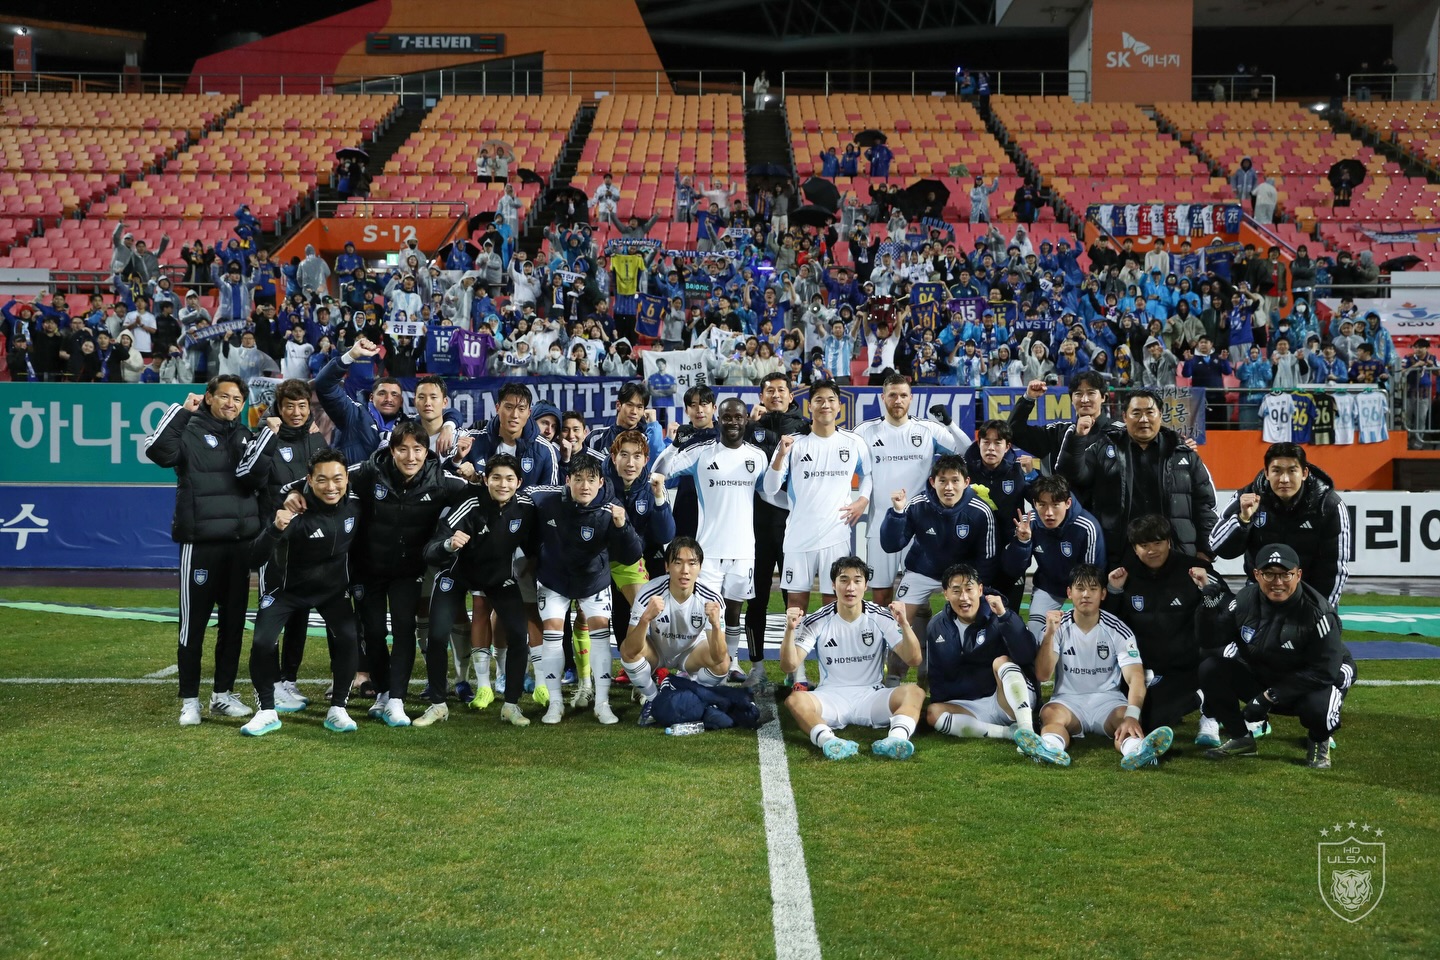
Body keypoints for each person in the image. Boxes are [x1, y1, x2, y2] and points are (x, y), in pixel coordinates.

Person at [327, 421, 470, 726]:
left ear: (426, 452)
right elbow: (329, 478)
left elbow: (475, 497)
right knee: (374, 632)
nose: (410, 456)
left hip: (409, 570)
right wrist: (295, 493)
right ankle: (383, 692)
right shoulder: (368, 472)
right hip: (367, 568)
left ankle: (396, 700)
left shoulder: (441, 480)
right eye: (403, 449)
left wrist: (474, 476)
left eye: (417, 449)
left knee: (404, 629)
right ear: (391, 451)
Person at [143, 376, 262, 726]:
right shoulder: (189, 430)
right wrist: (182, 411)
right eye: (224, 396)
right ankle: (190, 701)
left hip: (239, 545)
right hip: (201, 543)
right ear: (208, 397)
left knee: (233, 625)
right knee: (192, 626)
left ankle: (222, 696)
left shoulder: (244, 435)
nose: (231, 403)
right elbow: (157, 451)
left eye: (237, 399)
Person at [1200, 544, 1356, 769]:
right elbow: (1210, 642)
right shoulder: (1244, 600)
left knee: (1320, 707)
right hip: (1266, 674)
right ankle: (1241, 738)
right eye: (1269, 574)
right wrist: (1207, 611)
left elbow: (1325, 671)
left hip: (1309, 684)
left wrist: (1267, 697)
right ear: (1256, 575)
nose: (1278, 582)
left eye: (1285, 575)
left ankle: (1319, 741)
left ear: (1298, 575)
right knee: (1210, 668)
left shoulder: (1319, 613)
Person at [242, 449, 362, 737]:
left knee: (349, 637)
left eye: (337, 479)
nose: (331, 486)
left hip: (331, 591)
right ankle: (266, 711)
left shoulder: (356, 503)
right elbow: (253, 558)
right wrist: (275, 528)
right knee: (262, 642)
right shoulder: (293, 509)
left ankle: (338, 708)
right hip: (286, 590)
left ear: (347, 478)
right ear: (309, 480)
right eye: (322, 479)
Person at [1015, 565, 1175, 770]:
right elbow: (1043, 674)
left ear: (1103, 594)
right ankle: (1051, 748)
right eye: (1080, 588)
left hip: (1108, 701)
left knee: (1125, 718)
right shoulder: (1056, 627)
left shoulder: (1118, 629)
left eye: (1092, 588)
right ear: (1069, 593)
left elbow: (1135, 677)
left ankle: (1136, 750)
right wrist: (1050, 635)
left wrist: (1132, 715)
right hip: (1068, 701)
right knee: (1050, 714)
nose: (1086, 594)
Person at [655, 399, 768, 685]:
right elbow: (659, 472)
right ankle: (694, 662)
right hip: (709, 551)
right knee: (705, 611)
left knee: (734, 610)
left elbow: (770, 491)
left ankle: (732, 662)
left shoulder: (758, 457)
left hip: (744, 550)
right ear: (719, 419)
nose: (732, 422)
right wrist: (674, 445)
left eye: (738, 417)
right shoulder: (701, 453)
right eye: (727, 417)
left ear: (746, 420)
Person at [235, 379, 331, 711]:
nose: (296, 412)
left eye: (302, 406)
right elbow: (251, 479)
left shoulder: (315, 438)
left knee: (300, 613)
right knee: (272, 612)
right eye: (289, 406)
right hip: (274, 538)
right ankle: (270, 683)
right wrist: (267, 434)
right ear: (279, 407)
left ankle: (288, 679)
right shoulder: (266, 435)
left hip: (306, 541)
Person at [528, 455, 644, 724]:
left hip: (593, 580)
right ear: (567, 480)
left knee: (600, 634)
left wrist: (622, 526)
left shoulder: (612, 508)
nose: (584, 486)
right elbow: (524, 495)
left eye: (591, 480)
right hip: (554, 578)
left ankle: (602, 703)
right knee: (553, 634)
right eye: (578, 479)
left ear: (601, 482)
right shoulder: (547, 501)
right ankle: (555, 703)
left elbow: (632, 555)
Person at [424, 454, 537, 728]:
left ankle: (511, 705)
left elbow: (536, 544)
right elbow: (431, 549)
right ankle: (438, 705)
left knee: (518, 635)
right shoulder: (470, 503)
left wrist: (533, 564)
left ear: (519, 482)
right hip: (457, 575)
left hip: (498, 578)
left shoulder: (525, 508)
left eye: (509, 479)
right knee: (437, 635)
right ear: (485, 480)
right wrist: (449, 544)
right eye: (496, 477)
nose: (503, 484)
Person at [779, 557, 925, 760]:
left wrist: (905, 625)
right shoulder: (818, 620)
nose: (850, 587)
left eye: (857, 581)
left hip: (871, 696)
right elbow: (789, 665)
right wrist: (789, 630)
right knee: (795, 699)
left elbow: (914, 659)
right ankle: (829, 741)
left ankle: (896, 739)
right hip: (831, 697)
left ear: (865, 585)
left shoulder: (880, 616)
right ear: (833, 585)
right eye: (844, 580)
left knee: (915, 692)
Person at [1058, 390, 1217, 571]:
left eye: (1150, 412)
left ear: (1160, 415)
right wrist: (1077, 438)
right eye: (1136, 413)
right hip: (1119, 559)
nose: (1143, 419)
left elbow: (1205, 506)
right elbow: (1072, 476)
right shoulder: (1103, 449)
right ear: (1125, 417)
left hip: (1177, 557)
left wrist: (1206, 551)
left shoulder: (1184, 454)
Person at [852, 373, 973, 606]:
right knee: (881, 594)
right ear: (883, 398)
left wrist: (949, 424)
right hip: (881, 527)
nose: (898, 400)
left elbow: (967, 451)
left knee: (917, 595)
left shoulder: (928, 430)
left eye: (903, 395)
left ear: (911, 398)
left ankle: (917, 631)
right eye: (892, 395)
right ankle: (886, 632)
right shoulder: (865, 432)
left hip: (920, 527)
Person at [1105, 514, 1228, 740]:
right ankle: (1193, 698)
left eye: (1157, 543)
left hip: (1185, 668)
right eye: (1144, 545)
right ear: (1134, 548)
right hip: (1144, 670)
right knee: (1143, 720)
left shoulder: (1195, 569)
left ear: (1169, 542)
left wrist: (1207, 588)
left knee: (1158, 717)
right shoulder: (1124, 574)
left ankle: (1205, 699)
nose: (1152, 550)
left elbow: (1228, 608)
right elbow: (1110, 624)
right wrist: (1114, 592)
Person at [763, 380, 872, 636]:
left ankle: (829, 659)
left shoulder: (853, 442)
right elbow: (769, 488)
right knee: (796, 605)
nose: (825, 405)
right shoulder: (794, 443)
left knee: (833, 603)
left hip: (836, 536)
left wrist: (862, 500)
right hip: (798, 537)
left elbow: (867, 474)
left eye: (831, 400)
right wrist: (780, 455)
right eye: (819, 400)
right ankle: (795, 661)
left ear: (839, 406)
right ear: (809, 406)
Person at [1209, 443, 1349, 607]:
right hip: (1259, 596)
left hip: (1308, 599)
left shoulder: (1329, 506)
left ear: (1304, 473)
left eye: (1292, 471)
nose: (1284, 479)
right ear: (1267, 473)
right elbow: (1217, 546)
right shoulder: (1247, 497)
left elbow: (1334, 569)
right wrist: (1242, 519)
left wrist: (1322, 611)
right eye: (1276, 471)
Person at [880, 453, 997, 640]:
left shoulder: (980, 511)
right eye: (942, 481)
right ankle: (900, 662)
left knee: (969, 625)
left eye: (955, 480)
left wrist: (980, 592)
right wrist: (897, 513)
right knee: (897, 623)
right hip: (922, 571)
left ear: (966, 482)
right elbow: (891, 545)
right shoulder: (917, 505)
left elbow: (987, 559)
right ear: (932, 482)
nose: (949, 487)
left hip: (962, 577)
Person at [621, 537, 730, 724]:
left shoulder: (712, 598)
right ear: (667, 566)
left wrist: (716, 625)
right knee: (627, 652)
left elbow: (719, 657)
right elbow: (629, 649)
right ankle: (654, 700)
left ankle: (692, 696)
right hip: (657, 651)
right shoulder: (649, 593)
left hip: (691, 653)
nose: (685, 570)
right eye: (678, 563)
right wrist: (645, 618)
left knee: (723, 662)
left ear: (700, 567)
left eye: (692, 563)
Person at [924, 564, 1039, 741]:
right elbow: (936, 674)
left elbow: (1027, 654)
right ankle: (1009, 734)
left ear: (980, 590)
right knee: (934, 713)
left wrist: (1005, 617)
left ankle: (1027, 729)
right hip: (969, 707)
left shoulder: (999, 615)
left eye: (969, 589)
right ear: (946, 594)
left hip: (1005, 699)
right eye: (956, 591)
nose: (963, 597)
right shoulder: (937, 626)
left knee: (1002, 661)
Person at [746, 373, 810, 667]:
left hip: (792, 528)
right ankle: (756, 667)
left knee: (793, 602)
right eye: (769, 390)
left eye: (781, 390)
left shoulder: (805, 429)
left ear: (791, 396)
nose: (775, 394)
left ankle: (794, 668)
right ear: (761, 396)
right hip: (756, 527)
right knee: (756, 600)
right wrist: (750, 424)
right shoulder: (749, 428)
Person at [1001, 474, 1103, 641]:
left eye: (1056, 505)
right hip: (1049, 586)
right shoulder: (1028, 523)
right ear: (1035, 503)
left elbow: (1093, 575)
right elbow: (1012, 569)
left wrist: (1079, 598)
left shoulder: (1087, 526)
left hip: (1082, 587)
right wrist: (1022, 542)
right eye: (1042, 505)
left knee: (1085, 636)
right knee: (1035, 635)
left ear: (1067, 503)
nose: (1049, 513)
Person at [1006, 371, 1115, 474]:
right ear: (1071, 399)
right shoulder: (1056, 433)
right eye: (1078, 394)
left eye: (1091, 393)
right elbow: (1012, 431)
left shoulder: (1118, 434)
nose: (1084, 399)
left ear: (1103, 397)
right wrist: (1028, 398)